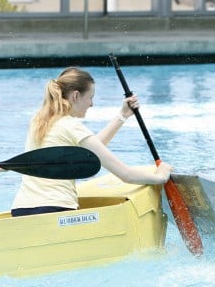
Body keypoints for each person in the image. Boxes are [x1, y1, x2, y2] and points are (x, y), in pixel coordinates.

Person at [11, 67, 173, 217]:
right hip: (57, 209)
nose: (92, 104)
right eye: (90, 97)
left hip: (21, 209)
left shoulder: (38, 121)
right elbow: (127, 175)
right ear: (75, 96)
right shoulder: (72, 126)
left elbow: (93, 148)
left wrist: (122, 115)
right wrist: (161, 177)